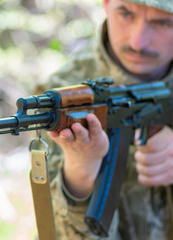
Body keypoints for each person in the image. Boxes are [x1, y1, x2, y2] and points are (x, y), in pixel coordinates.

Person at [43, 0, 173, 239]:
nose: (138, 42)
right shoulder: (64, 92)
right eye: (125, 14)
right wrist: (80, 171)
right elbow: (54, 232)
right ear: (105, 4)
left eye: (163, 22)